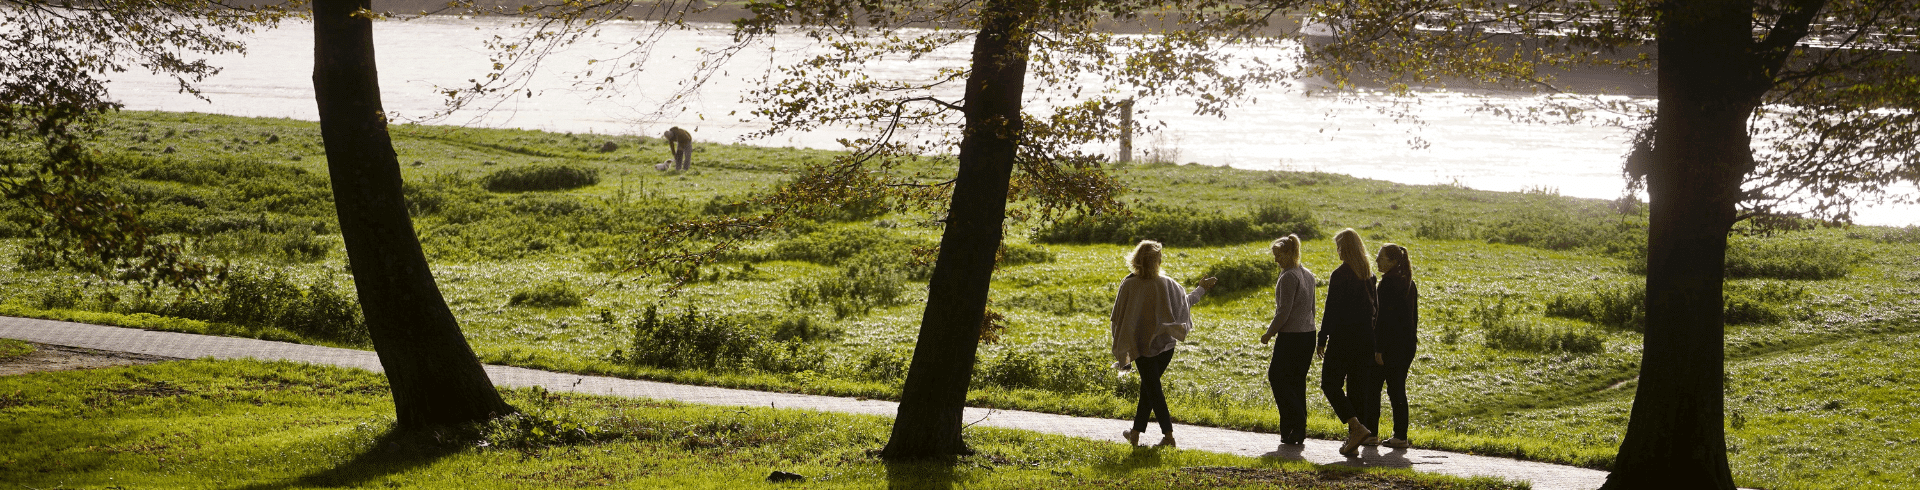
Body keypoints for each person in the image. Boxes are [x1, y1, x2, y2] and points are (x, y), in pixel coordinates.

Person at [1111, 240, 1216, 448]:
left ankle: (1168, 437)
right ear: (1157, 260)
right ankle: (1135, 433)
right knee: (1150, 388)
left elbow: (1117, 318)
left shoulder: (1129, 284)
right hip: (1166, 347)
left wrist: (1122, 351)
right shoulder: (1167, 284)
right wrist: (1201, 289)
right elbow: (1184, 304)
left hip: (1141, 347)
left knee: (1152, 388)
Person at [1318, 228, 1380, 457]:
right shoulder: (1369, 276)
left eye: (1339, 247)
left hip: (1343, 338)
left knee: (1329, 383)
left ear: (1346, 248)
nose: (1338, 251)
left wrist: (1322, 337)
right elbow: (1376, 312)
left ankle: (1355, 427)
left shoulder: (1341, 274)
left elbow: (1331, 309)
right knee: (1356, 389)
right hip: (1366, 340)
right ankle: (1354, 437)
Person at [1261, 234, 1316, 447]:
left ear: (1289, 253)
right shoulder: (1308, 274)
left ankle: (1297, 419)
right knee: (1296, 381)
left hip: (1291, 336)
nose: (1276, 260)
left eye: (1278, 255)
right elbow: (1312, 307)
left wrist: (1269, 333)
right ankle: (1293, 431)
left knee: (1277, 377)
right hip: (1308, 334)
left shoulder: (1288, 277)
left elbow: (1283, 311)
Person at [1368, 243, 1419, 449]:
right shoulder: (1408, 282)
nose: (1377, 261)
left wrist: (1378, 349)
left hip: (1388, 347)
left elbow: (1383, 320)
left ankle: (1371, 433)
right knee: (1397, 389)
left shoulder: (1387, 284)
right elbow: (1413, 318)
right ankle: (1400, 435)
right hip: (1406, 345)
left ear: (1393, 261)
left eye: (1381, 257)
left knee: (1373, 388)